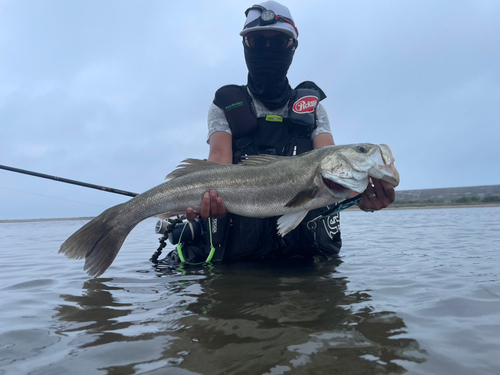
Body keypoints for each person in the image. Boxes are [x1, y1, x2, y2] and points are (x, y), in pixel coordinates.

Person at [176, 1, 395, 263]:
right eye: (257, 41)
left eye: (278, 42)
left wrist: (362, 199)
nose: (268, 49)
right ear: (245, 45)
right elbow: (216, 168)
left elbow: (332, 169)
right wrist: (204, 203)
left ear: (292, 47)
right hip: (239, 260)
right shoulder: (226, 104)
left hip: (302, 258)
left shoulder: (312, 107)